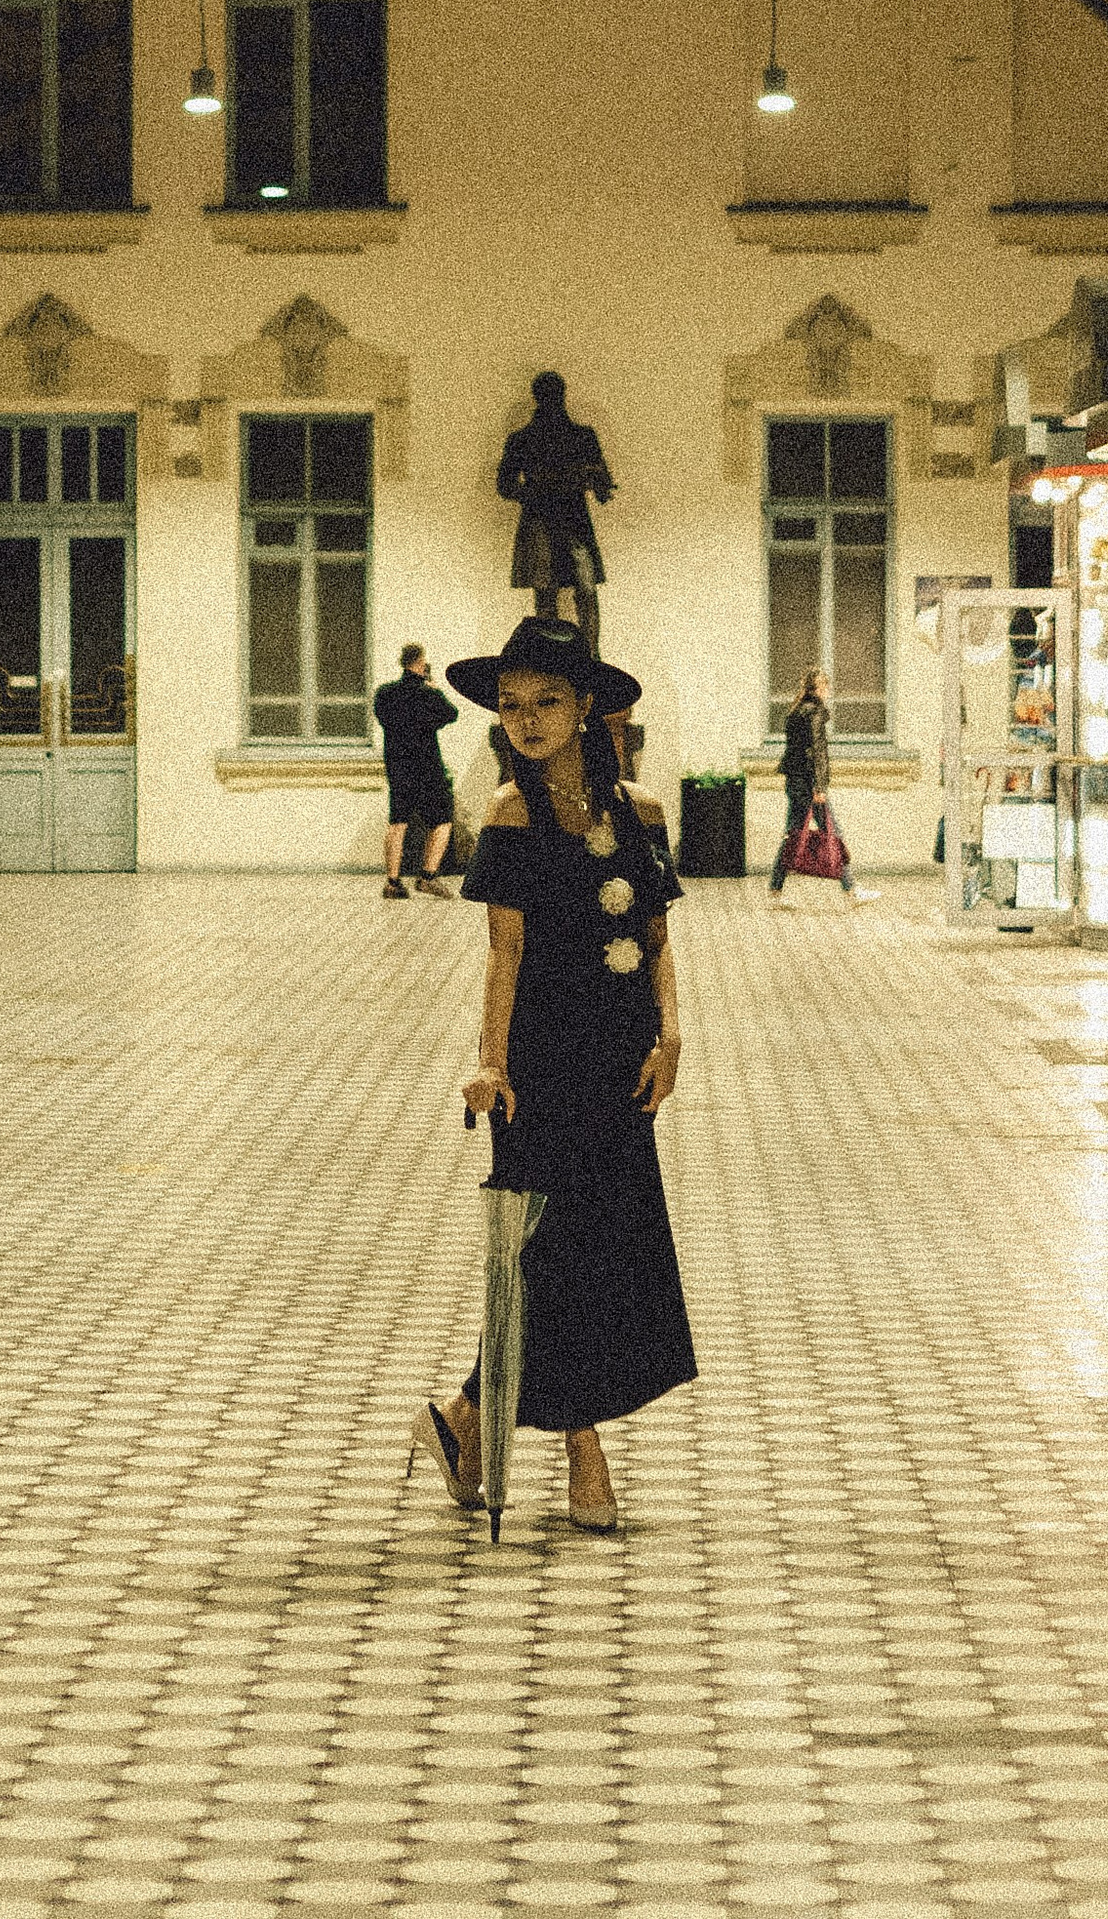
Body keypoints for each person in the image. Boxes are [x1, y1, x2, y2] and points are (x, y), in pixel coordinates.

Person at [412, 617, 695, 1533]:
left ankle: (464, 1419)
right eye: (511, 706)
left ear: (585, 711)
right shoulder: (509, 814)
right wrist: (489, 1063)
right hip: (541, 1063)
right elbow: (504, 952)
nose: (526, 721)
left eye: (546, 703)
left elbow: (656, 938)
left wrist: (673, 1035)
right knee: (552, 1252)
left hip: (621, 1059)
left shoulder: (643, 812)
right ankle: (583, 1451)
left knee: (602, 1248)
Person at [495, 372, 616, 647]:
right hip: (548, 520)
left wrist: (593, 482)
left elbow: (601, 482)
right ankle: (558, 657)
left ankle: (587, 655)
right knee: (552, 593)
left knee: (578, 592)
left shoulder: (579, 436)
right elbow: (505, 485)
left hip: (568, 520)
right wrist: (543, 488)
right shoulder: (524, 439)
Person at [769, 664, 877, 906]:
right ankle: (852, 890)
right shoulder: (814, 713)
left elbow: (795, 752)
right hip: (809, 787)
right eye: (826, 686)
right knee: (833, 833)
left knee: (792, 835)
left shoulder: (795, 711)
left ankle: (775, 889)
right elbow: (817, 752)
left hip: (796, 783)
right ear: (818, 689)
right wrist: (819, 787)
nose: (828, 691)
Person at [373, 643, 460, 899]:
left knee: (397, 821)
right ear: (421, 663)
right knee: (442, 821)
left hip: (398, 766)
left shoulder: (384, 694)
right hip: (427, 767)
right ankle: (428, 876)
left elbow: (383, 718)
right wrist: (432, 689)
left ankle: (392, 881)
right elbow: (451, 714)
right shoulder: (427, 694)